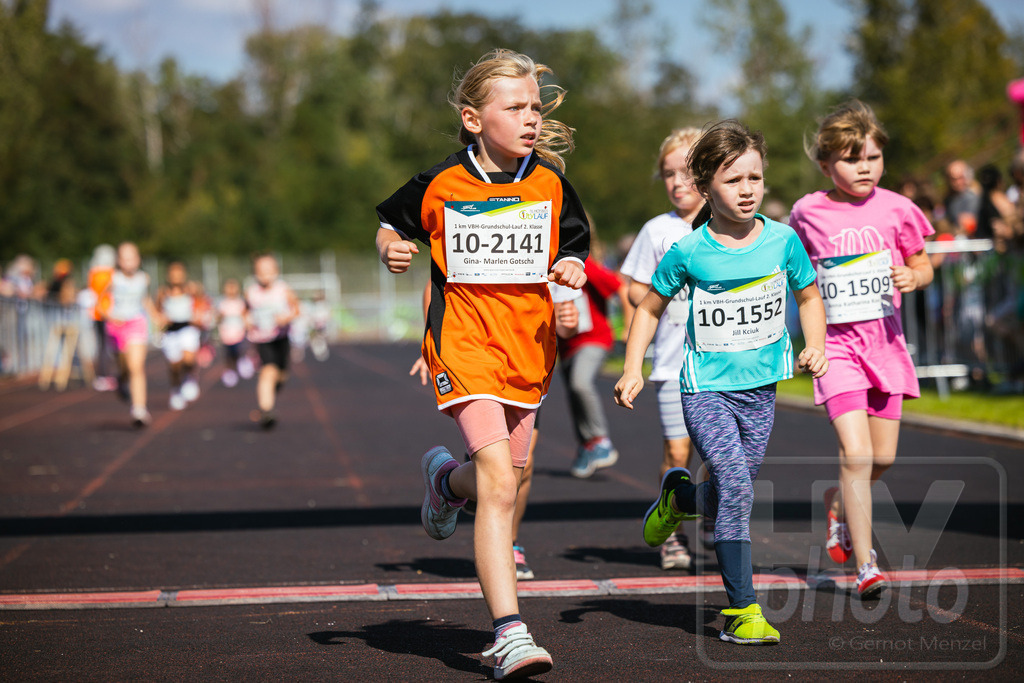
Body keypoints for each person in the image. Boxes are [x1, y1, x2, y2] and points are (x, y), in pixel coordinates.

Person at [376, 48, 588, 680]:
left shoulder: (550, 182)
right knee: (498, 482)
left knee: (507, 477)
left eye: (535, 107)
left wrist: (571, 271)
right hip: (463, 344)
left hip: (529, 348)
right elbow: (390, 222)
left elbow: (573, 246)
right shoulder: (441, 184)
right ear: (473, 118)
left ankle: (445, 483)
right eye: (514, 107)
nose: (530, 118)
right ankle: (509, 633)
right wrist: (392, 248)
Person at [614, 120, 828, 645]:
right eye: (735, 181)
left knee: (735, 488)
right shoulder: (690, 251)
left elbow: (808, 297)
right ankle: (742, 609)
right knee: (735, 486)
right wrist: (632, 366)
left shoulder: (783, 240)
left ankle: (681, 501)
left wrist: (815, 344)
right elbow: (647, 308)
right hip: (704, 387)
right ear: (706, 185)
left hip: (761, 390)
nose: (749, 189)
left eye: (756, 178)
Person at [789, 99, 934, 600]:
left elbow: (924, 263)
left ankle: (839, 509)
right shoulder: (808, 211)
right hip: (837, 348)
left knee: (883, 458)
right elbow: (797, 272)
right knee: (856, 454)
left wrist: (912, 275)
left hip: (885, 346)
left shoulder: (897, 208)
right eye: (852, 160)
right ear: (827, 163)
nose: (864, 168)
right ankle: (867, 564)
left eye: (872, 158)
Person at [410, 283, 580, 581]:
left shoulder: (549, 246)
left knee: (517, 472)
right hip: (476, 357)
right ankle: (494, 538)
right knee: (495, 479)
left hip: (527, 367)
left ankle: (453, 490)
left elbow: (563, 323)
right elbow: (436, 281)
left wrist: (568, 324)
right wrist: (431, 339)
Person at [620, 127, 712, 571]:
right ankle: (671, 536)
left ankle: (715, 514)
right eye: (668, 174)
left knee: (719, 451)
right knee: (678, 454)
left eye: (686, 173)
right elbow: (634, 289)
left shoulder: (726, 227)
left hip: (722, 364)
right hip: (673, 363)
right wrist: (663, 301)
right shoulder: (657, 231)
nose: (677, 183)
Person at [558, 226, 623, 479]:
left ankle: (601, 440)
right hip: (565, 346)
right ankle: (587, 446)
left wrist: (628, 325)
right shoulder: (544, 265)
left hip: (594, 338)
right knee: (574, 397)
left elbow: (621, 288)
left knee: (580, 383)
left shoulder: (585, 265)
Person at [99, 242, 159, 427]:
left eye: (132, 257)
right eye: (124, 258)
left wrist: (156, 315)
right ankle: (121, 380)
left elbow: (145, 299)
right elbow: (101, 303)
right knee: (125, 367)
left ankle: (139, 409)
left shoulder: (144, 279)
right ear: (119, 261)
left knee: (136, 367)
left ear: (138, 259)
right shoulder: (113, 279)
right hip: (117, 327)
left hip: (136, 323)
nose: (128, 262)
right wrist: (110, 315)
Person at [245, 253, 300, 429]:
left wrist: (286, 318)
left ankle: (269, 397)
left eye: (269, 271)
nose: (265, 275)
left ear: (276, 271)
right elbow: (244, 311)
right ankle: (266, 411)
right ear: (255, 273)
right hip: (262, 339)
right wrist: (247, 321)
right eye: (261, 271)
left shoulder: (283, 290)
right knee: (268, 371)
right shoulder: (251, 292)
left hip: (281, 338)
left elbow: (296, 309)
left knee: (281, 376)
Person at [156, 262, 205, 410]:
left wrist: (198, 316)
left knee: (189, 358)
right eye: (173, 273)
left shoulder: (191, 289)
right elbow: (157, 310)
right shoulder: (163, 292)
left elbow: (202, 304)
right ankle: (176, 390)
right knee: (174, 366)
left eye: (179, 273)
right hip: (171, 331)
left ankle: (190, 379)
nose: (176, 276)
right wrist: (161, 318)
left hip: (187, 328)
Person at [87, 245, 118, 391]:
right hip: (109, 313)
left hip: (96, 313)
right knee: (109, 346)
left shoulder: (92, 273)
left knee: (101, 346)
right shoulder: (112, 273)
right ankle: (106, 375)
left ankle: (102, 376)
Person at [216, 278, 250, 387]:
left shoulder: (240, 302)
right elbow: (218, 318)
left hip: (239, 333)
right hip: (226, 334)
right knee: (228, 354)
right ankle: (230, 371)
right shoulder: (222, 303)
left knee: (239, 350)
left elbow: (245, 316)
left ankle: (241, 362)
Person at [943, 160, 980, 236]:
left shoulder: (974, 196)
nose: (957, 182)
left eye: (960, 178)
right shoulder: (948, 199)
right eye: (953, 179)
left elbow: (968, 225)